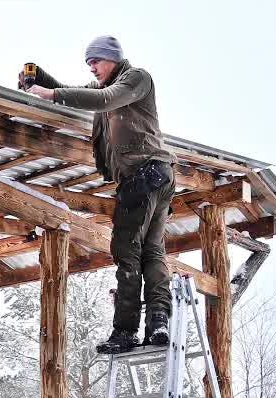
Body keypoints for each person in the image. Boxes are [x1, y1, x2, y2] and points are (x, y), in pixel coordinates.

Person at [21, 36, 177, 354]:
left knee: (126, 250)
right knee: (152, 250)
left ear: (113, 59)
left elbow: (105, 99)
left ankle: (125, 330)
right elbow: (76, 93)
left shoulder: (135, 79)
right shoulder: (107, 86)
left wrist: (49, 93)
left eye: (96, 61)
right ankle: (159, 322)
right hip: (158, 176)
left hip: (144, 174)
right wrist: (39, 78)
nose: (92, 68)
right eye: (88, 64)